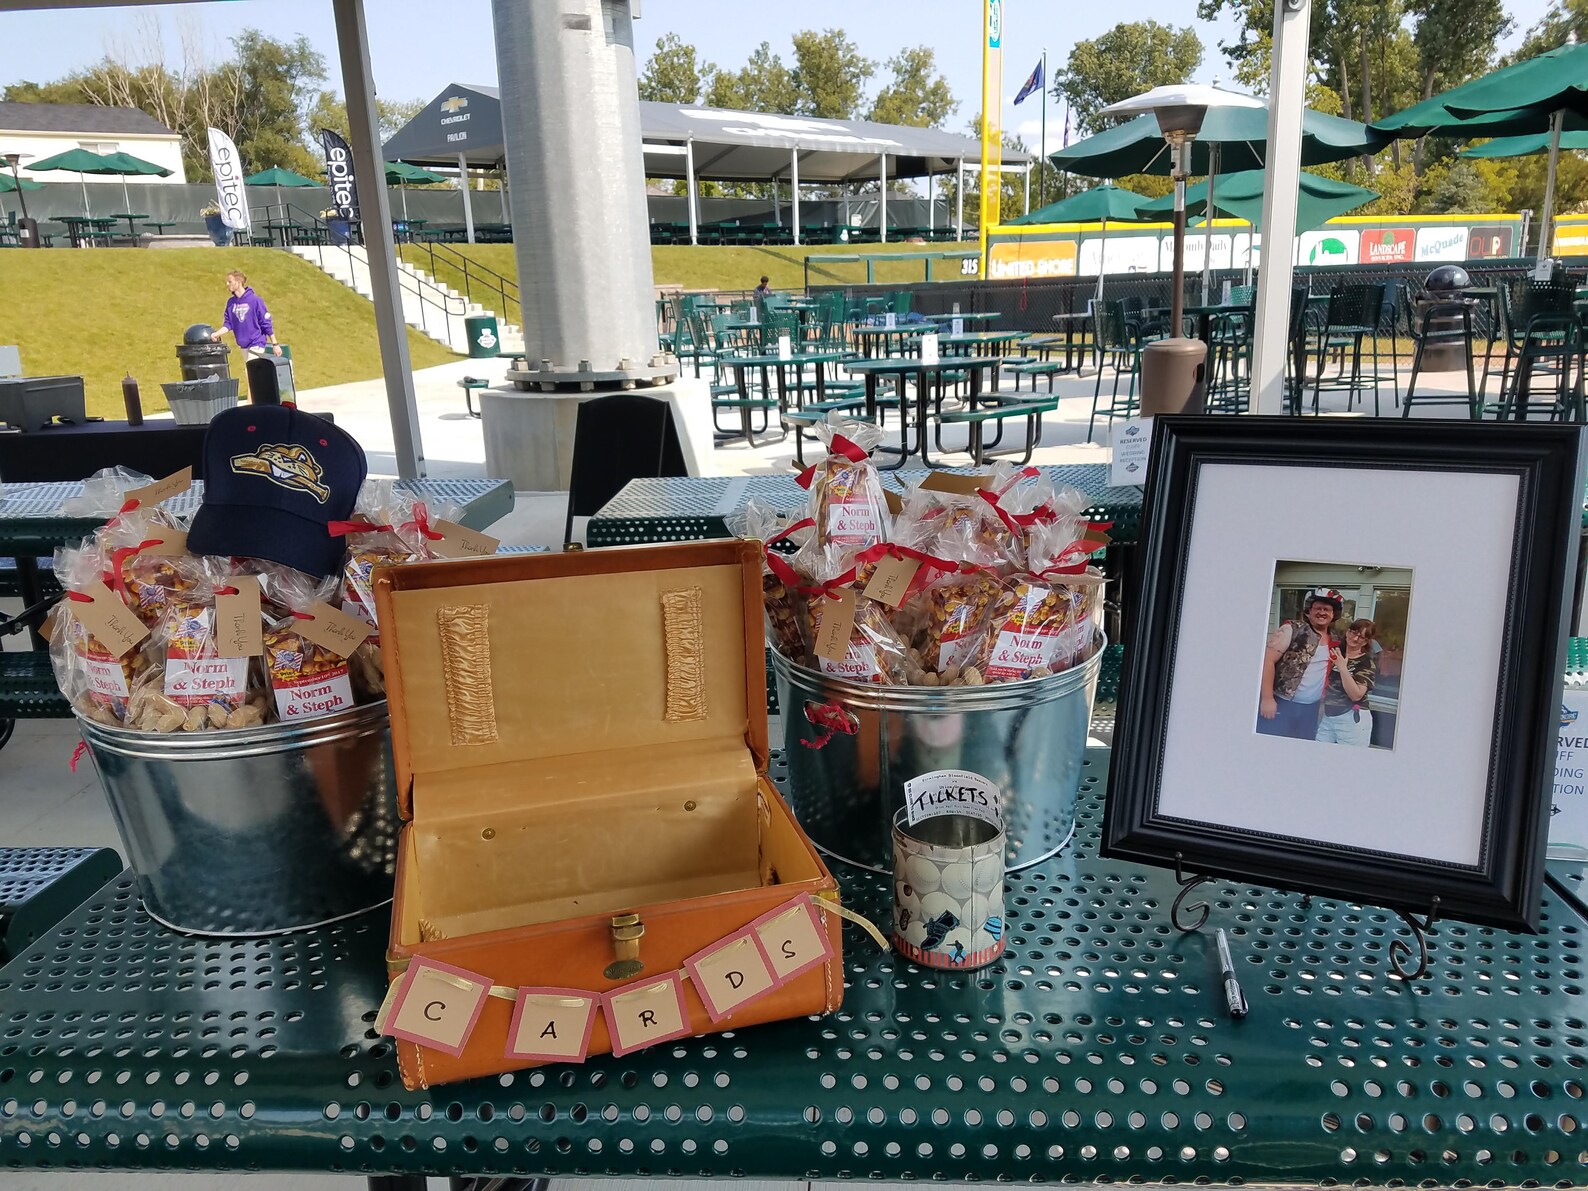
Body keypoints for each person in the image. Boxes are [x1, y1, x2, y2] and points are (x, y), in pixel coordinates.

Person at [1257, 587, 1344, 740]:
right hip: (1282, 703)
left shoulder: (1335, 639)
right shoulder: (1292, 629)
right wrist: (1267, 698)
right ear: (1308, 611)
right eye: (1318, 608)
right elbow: (1267, 661)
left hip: (1311, 709)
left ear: (1333, 615)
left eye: (1327, 609)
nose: (1322, 612)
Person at [1316, 619, 1377, 746]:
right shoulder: (1337, 651)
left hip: (1351, 717)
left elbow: (1356, 695)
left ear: (1366, 641)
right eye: (1353, 632)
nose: (1354, 638)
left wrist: (1342, 667)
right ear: (1347, 632)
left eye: (1361, 637)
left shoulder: (1365, 662)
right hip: (1328, 715)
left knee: (1351, 761)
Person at [213, 270, 282, 360]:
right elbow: (228, 324)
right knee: (251, 373)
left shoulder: (255, 300)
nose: (227, 284)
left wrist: (275, 344)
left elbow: (265, 322)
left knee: (252, 370)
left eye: (230, 282)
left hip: (256, 343)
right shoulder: (231, 303)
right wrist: (216, 334)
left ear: (238, 283)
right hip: (243, 345)